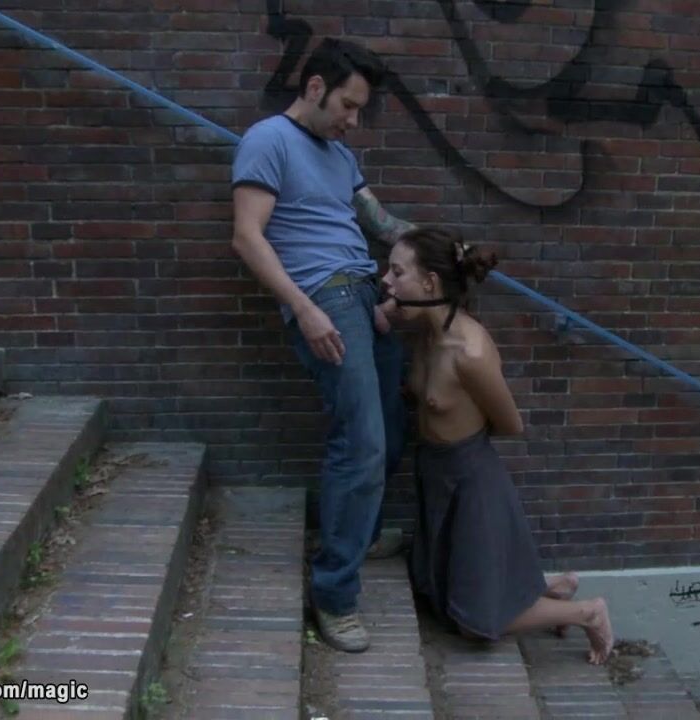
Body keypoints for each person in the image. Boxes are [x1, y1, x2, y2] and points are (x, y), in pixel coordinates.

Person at [230, 37, 415, 654]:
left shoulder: (339, 155)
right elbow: (247, 237)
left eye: (359, 109)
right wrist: (304, 308)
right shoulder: (268, 140)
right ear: (314, 87)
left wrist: (443, 247)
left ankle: (357, 534)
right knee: (360, 442)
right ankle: (334, 594)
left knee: (390, 428)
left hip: (366, 297)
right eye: (348, 105)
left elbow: (382, 225)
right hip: (326, 300)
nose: (353, 121)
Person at [378, 227, 616, 665]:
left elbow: (510, 424)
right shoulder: (424, 333)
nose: (385, 281)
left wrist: (456, 431)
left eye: (396, 272)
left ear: (430, 283)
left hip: (471, 482)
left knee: (474, 623)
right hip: (435, 474)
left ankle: (586, 612)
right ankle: (554, 589)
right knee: (444, 597)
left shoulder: (469, 352)